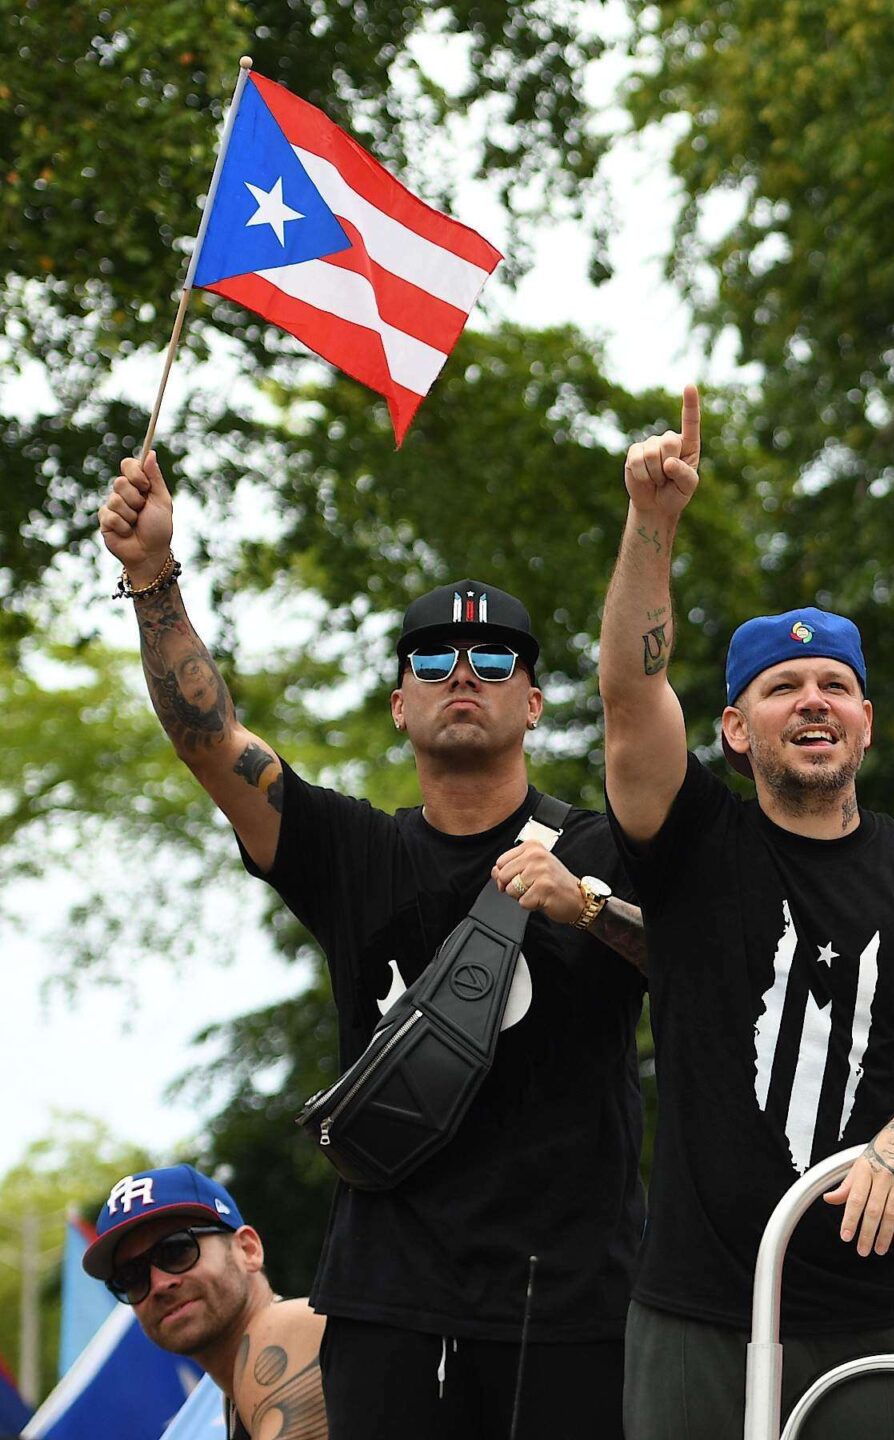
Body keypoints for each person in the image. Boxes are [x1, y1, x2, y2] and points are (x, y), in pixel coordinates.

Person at [99, 456, 646, 1440]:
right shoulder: (355, 852)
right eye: (433, 660)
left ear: (533, 702)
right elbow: (210, 739)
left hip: (572, 1309)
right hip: (391, 1304)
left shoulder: (608, 850)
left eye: (494, 658)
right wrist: (152, 574)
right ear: (402, 703)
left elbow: (710, 967)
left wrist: (589, 907)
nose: (462, 674)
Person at [600, 388, 894, 1439]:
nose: (814, 700)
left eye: (834, 683)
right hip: (699, 1311)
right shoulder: (695, 840)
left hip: (879, 1314)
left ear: (866, 722)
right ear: (737, 729)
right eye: (784, 686)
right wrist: (651, 530)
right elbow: (627, 696)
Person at [82, 1165, 327, 1440]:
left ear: (247, 1249)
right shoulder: (234, 1402)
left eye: (176, 1250)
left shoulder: (287, 1329)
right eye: (131, 1276)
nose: (159, 1285)